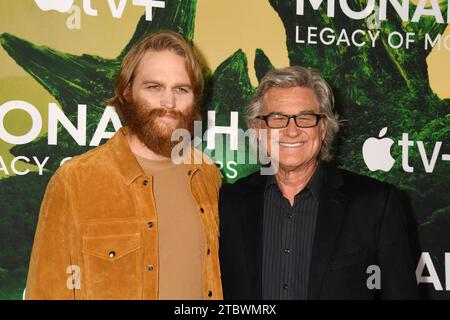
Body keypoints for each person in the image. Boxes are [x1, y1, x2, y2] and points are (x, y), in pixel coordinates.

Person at [25, 31, 222, 300]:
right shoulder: (75, 181)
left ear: (194, 98)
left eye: (181, 89)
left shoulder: (207, 176)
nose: (169, 102)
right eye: (154, 87)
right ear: (127, 92)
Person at [219, 66, 418, 299]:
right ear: (258, 129)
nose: (291, 131)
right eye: (278, 118)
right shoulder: (229, 203)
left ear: (323, 128)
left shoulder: (376, 204)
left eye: (305, 118)